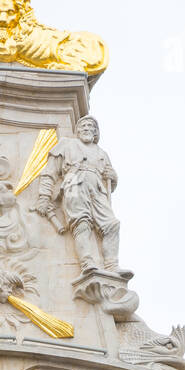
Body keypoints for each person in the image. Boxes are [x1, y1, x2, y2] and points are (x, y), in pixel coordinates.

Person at [33, 116, 122, 274]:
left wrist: (113, 178)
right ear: (77, 130)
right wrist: (44, 196)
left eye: (90, 126)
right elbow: (50, 172)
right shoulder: (67, 144)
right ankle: (87, 262)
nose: (86, 128)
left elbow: (109, 181)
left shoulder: (102, 153)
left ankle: (111, 265)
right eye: (83, 126)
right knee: (81, 221)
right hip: (74, 183)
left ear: (95, 132)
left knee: (112, 224)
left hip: (98, 188)